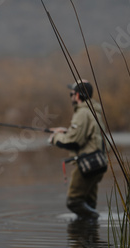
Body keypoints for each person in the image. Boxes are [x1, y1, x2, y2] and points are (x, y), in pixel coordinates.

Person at [49, 79, 106, 219]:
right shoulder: (94, 112)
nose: (71, 97)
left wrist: (55, 138)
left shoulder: (82, 113)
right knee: (89, 203)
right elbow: (86, 137)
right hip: (99, 164)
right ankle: (89, 235)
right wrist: (66, 132)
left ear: (78, 96)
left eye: (72, 94)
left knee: (74, 202)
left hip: (88, 165)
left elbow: (74, 142)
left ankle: (94, 219)